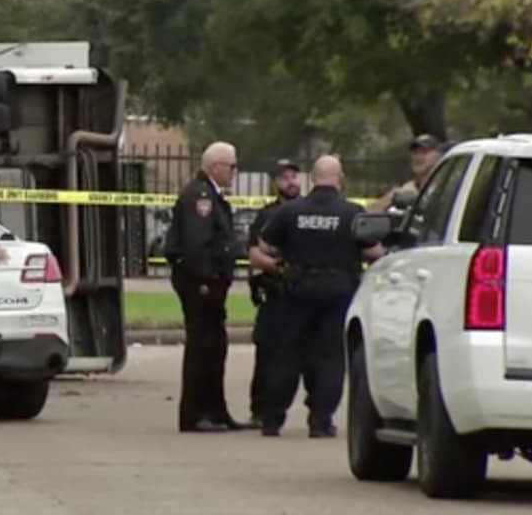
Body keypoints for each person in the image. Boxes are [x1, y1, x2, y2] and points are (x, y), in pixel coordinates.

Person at [254, 155, 385, 438]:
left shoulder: (291, 211)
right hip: (338, 290)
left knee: (285, 355)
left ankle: (272, 419)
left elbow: (265, 244)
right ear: (340, 178)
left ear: (312, 178)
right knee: (330, 357)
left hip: (297, 289)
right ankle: (320, 421)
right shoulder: (352, 213)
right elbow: (374, 251)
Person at [163, 141, 247, 433]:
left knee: (215, 347)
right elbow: (197, 243)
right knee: (202, 347)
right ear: (215, 166)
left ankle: (216, 410)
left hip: (212, 281)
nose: (235, 172)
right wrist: (204, 280)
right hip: (201, 283)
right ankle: (196, 413)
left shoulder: (212, 194)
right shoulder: (201, 196)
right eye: (232, 166)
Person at [245, 158, 308, 428]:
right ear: (275, 183)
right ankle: (260, 409)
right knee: (267, 351)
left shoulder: (309, 211)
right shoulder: (266, 215)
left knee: (310, 354)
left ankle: (316, 411)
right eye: (283, 177)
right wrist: (274, 267)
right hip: (275, 291)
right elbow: (253, 252)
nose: (290, 182)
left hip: (305, 292)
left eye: (293, 176)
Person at [368, 133, 442, 212]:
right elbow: (370, 213)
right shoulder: (405, 190)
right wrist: (392, 198)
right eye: (415, 152)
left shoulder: (444, 188)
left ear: (438, 155)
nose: (418, 157)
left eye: (424, 152)